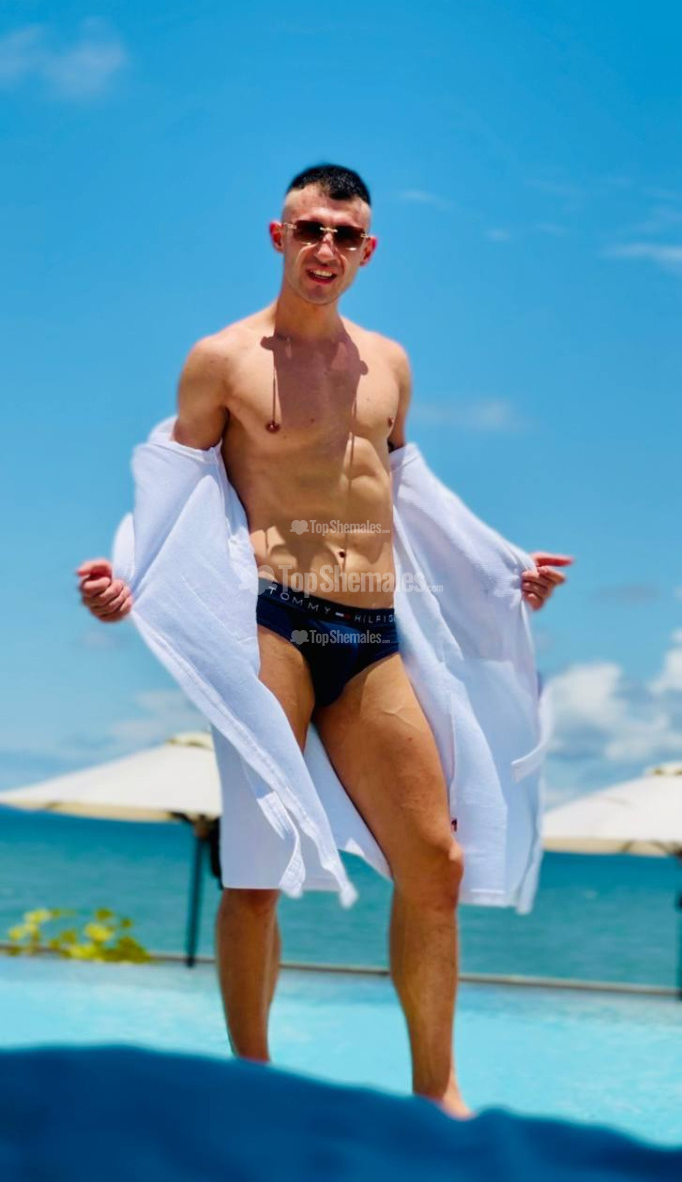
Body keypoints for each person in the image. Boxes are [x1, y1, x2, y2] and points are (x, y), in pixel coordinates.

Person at [76, 163, 572, 1118]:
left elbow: (408, 487)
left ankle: (436, 1097)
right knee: (255, 873)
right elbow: (171, 486)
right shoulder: (223, 359)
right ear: (279, 236)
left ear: (367, 251)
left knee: (436, 864)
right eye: (310, 229)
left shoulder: (388, 363)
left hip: (371, 633)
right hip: (271, 625)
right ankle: (254, 1087)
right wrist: (124, 582)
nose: (326, 248)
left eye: (344, 235)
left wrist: (502, 566)